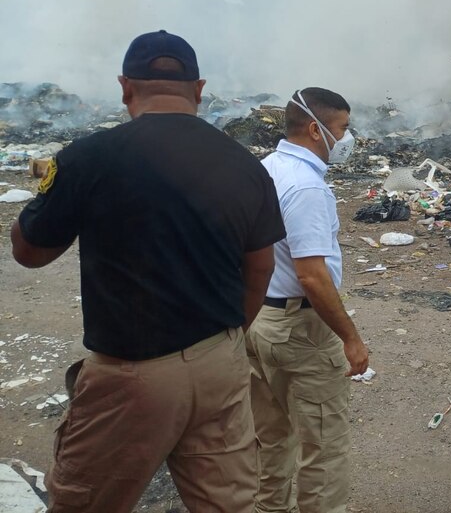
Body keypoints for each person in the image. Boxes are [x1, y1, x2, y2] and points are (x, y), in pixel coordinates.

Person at [10, 30, 286, 512]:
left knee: (84, 501)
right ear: (199, 90)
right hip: (220, 362)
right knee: (229, 503)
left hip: (132, 375)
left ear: (125, 87)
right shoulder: (246, 165)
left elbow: (29, 253)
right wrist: (227, 339)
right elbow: (261, 267)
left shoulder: (88, 157)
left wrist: (50, 198)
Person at [246, 87, 370, 513]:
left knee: (271, 434)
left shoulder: (266, 168)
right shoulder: (306, 188)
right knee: (324, 445)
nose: (347, 139)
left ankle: (269, 507)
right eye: (343, 129)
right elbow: (312, 277)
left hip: (260, 320)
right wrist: (350, 338)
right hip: (301, 330)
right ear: (317, 130)